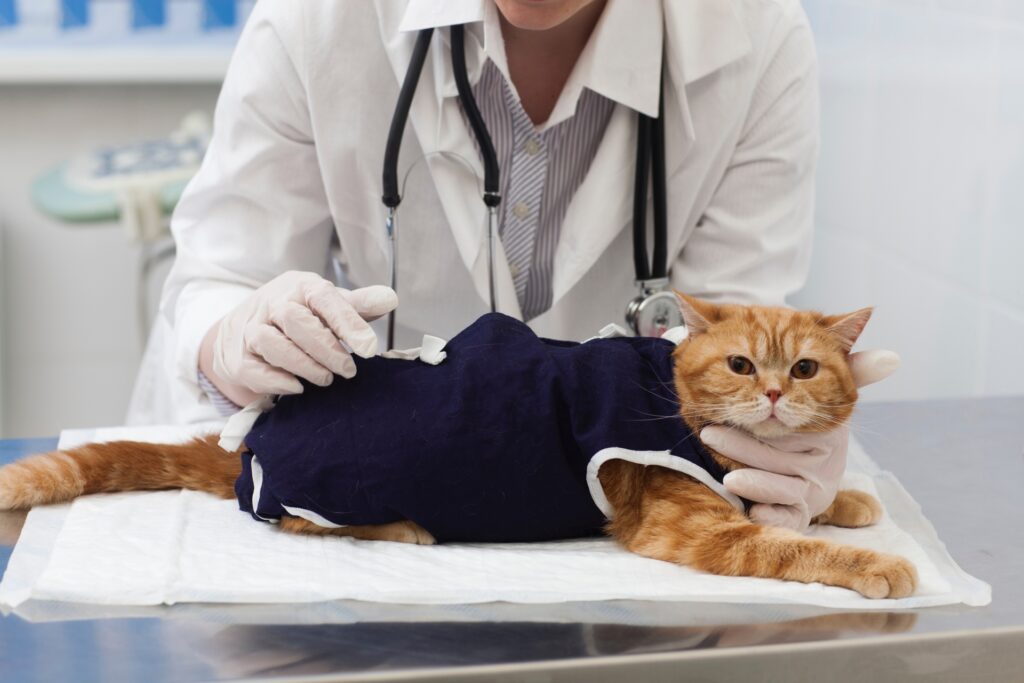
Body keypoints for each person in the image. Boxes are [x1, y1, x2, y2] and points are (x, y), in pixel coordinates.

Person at [127, 0, 896, 531]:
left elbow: (735, 327)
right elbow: (220, 273)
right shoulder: (322, 18)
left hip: (606, 544)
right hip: (361, 517)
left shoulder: (752, 35)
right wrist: (231, 336)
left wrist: (778, 448)